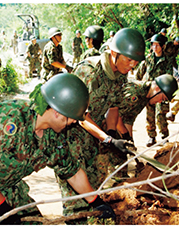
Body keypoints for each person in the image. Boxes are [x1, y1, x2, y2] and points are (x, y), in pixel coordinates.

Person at [0, 73, 115, 225]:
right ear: (57, 112)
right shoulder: (9, 120)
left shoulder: (54, 135)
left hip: (6, 187)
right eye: (72, 117)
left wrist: (96, 202)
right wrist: (2, 208)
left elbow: (72, 172)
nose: (75, 122)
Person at [57, 28, 146, 223]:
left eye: (136, 62)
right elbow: (80, 116)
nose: (133, 65)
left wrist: (117, 134)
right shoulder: (88, 71)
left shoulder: (120, 74)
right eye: (129, 60)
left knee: (96, 191)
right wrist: (107, 138)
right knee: (76, 201)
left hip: (94, 136)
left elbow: (113, 107)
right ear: (114, 53)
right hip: (69, 139)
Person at [136, 33, 175, 147]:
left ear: (162, 46)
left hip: (162, 92)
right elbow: (140, 72)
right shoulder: (148, 59)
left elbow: (169, 76)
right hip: (149, 91)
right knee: (150, 114)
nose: (155, 48)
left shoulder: (167, 60)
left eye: (157, 45)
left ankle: (164, 137)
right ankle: (151, 137)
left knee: (161, 114)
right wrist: (139, 85)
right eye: (153, 45)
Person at [118, 74, 179, 139]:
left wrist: (129, 140)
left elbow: (128, 119)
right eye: (163, 98)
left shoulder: (146, 96)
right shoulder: (135, 92)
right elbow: (114, 115)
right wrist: (126, 136)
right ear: (157, 88)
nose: (160, 101)